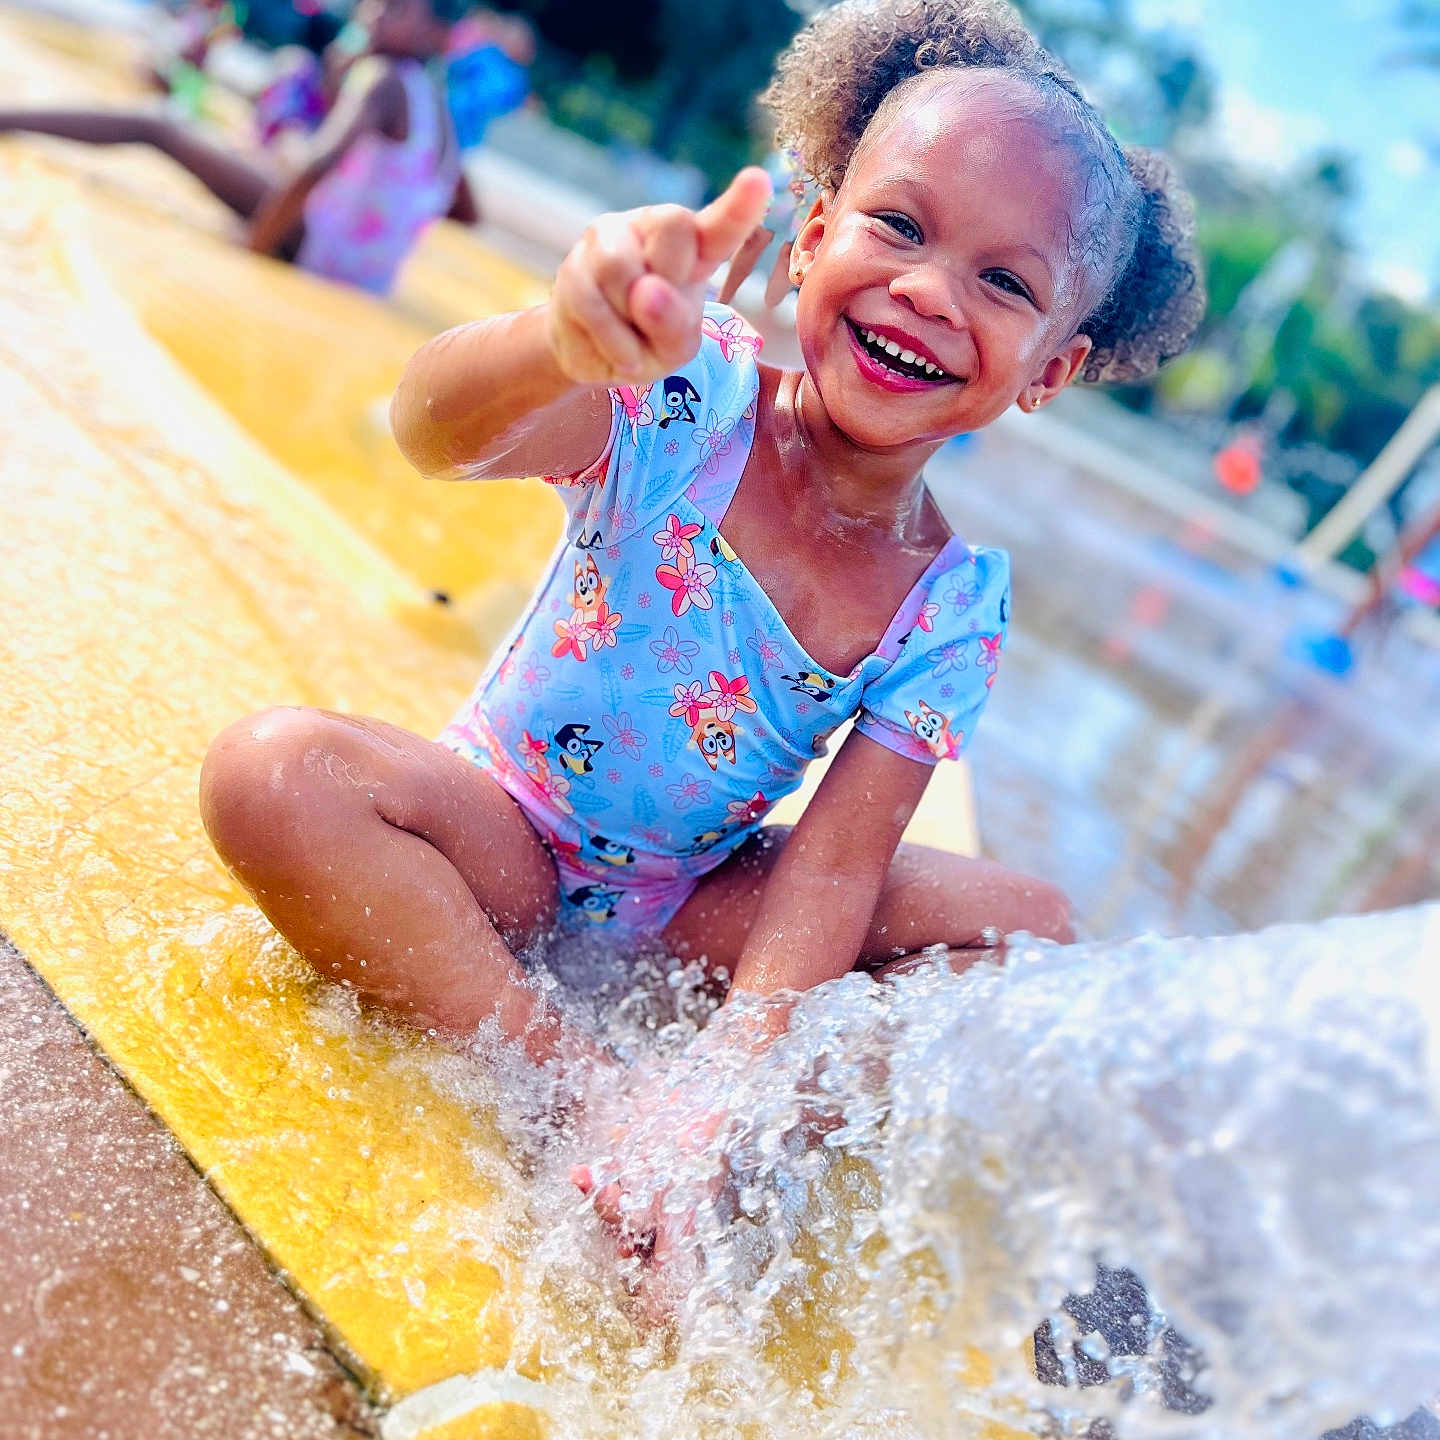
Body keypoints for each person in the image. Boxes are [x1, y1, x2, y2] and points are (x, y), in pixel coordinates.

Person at [199, 0, 1204, 1065]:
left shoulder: (947, 605)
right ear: (813, 239)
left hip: (686, 909)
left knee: (1033, 931)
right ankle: (566, 1074)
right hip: (497, 838)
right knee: (272, 773)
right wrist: (557, 346)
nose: (927, 291)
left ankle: (721, 1115)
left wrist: (722, 1089)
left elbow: (832, 868)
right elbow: (433, 433)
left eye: (1004, 282)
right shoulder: (690, 397)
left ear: (1049, 369)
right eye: (899, 226)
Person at [0, 0, 476, 296]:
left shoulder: (383, 78)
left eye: (395, 5)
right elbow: (466, 211)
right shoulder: (440, 112)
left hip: (312, 247)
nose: (372, 11)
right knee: (258, 157)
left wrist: (253, 247)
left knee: (158, 128)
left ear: (437, 35)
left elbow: (316, 164)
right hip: (366, 279)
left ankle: (7, 118)